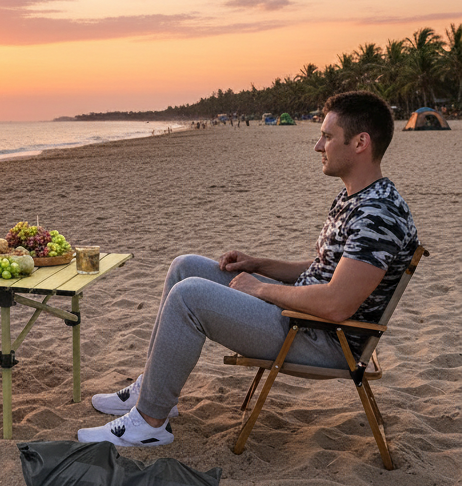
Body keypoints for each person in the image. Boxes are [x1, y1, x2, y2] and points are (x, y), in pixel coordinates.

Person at [78, 91, 419, 448]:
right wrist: (258, 265)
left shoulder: (379, 213)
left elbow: (337, 303)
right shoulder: (356, 198)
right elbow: (328, 270)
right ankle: (152, 388)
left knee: (188, 296)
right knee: (185, 267)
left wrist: (261, 288)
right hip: (301, 317)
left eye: (328, 136)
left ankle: (149, 424)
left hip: (320, 337)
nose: (318, 146)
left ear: (361, 143)